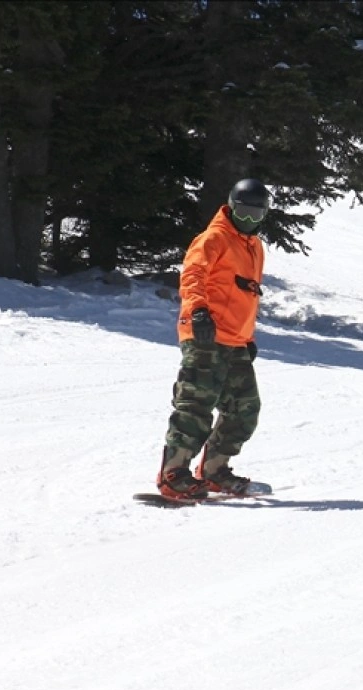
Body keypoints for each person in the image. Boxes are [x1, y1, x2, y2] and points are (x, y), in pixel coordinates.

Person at [155, 178, 269, 500]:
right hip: (205, 334)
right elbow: (193, 275)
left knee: (244, 408)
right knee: (196, 404)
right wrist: (198, 311)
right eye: (243, 212)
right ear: (231, 207)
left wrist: (247, 337)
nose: (248, 220)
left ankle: (215, 470)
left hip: (235, 340)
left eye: (255, 214)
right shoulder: (214, 238)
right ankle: (173, 474)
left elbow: (244, 295)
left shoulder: (254, 246)